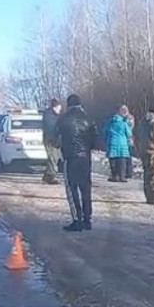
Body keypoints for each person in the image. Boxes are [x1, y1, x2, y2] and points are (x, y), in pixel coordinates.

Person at [54, 94, 98, 231]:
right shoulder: (89, 118)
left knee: (72, 189)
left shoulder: (63, 119)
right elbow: (95, 139)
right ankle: (87, 219)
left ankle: (77, 219)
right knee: (86, 188)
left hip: (71, 157)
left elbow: (56, 139)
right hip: (85, 158)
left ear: (68, 105)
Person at [105, 105, 134, 182]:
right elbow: (129, 133)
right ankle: (122, 176)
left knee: (113, 160)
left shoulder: (110, 123)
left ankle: (115, 176)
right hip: (122, 144)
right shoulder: (123, 123)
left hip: (112, 142)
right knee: (122, 161)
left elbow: (105, 131)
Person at [41, 98, 63, 185]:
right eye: (59, 109)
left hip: (53, 140)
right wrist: (55, 140)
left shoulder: (52, 115)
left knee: (54, 158)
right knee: (52, 158)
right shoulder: (50, 116)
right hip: (50, 140)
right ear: (55, 107)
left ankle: (47, 176)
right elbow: (51, 130)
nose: (60, 111)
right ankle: (51, 176)